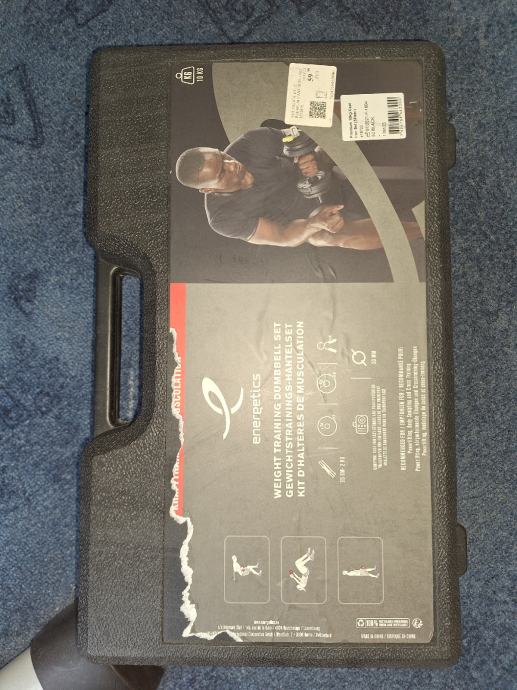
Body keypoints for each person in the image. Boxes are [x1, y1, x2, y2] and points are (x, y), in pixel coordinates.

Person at [175, 127, 422, 250]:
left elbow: (296, 135)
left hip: (318, 173)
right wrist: (314, 223)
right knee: (322, 237)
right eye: (222, 173)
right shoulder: (223, 218)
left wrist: (302, 154)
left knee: (325, 138)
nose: (233, 165)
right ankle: (425, 231)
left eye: (222, 156)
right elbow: (282, 235)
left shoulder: (249, 143)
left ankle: (410, 115)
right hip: (307, 216)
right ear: (208, 190)